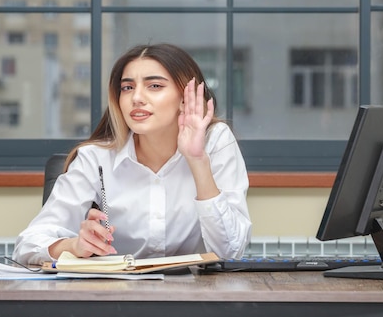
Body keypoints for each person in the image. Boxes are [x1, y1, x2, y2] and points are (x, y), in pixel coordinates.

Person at [13, 43, 252, 265]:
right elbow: (27, 245)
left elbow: (230, 253)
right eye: (127, 87)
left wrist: (198, 161)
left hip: (198, 298)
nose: (136, 98)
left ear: (185, 98)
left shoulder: (216, 141)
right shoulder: (95, 158)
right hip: (114, 298)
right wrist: (73, 245)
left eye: (154, 86)